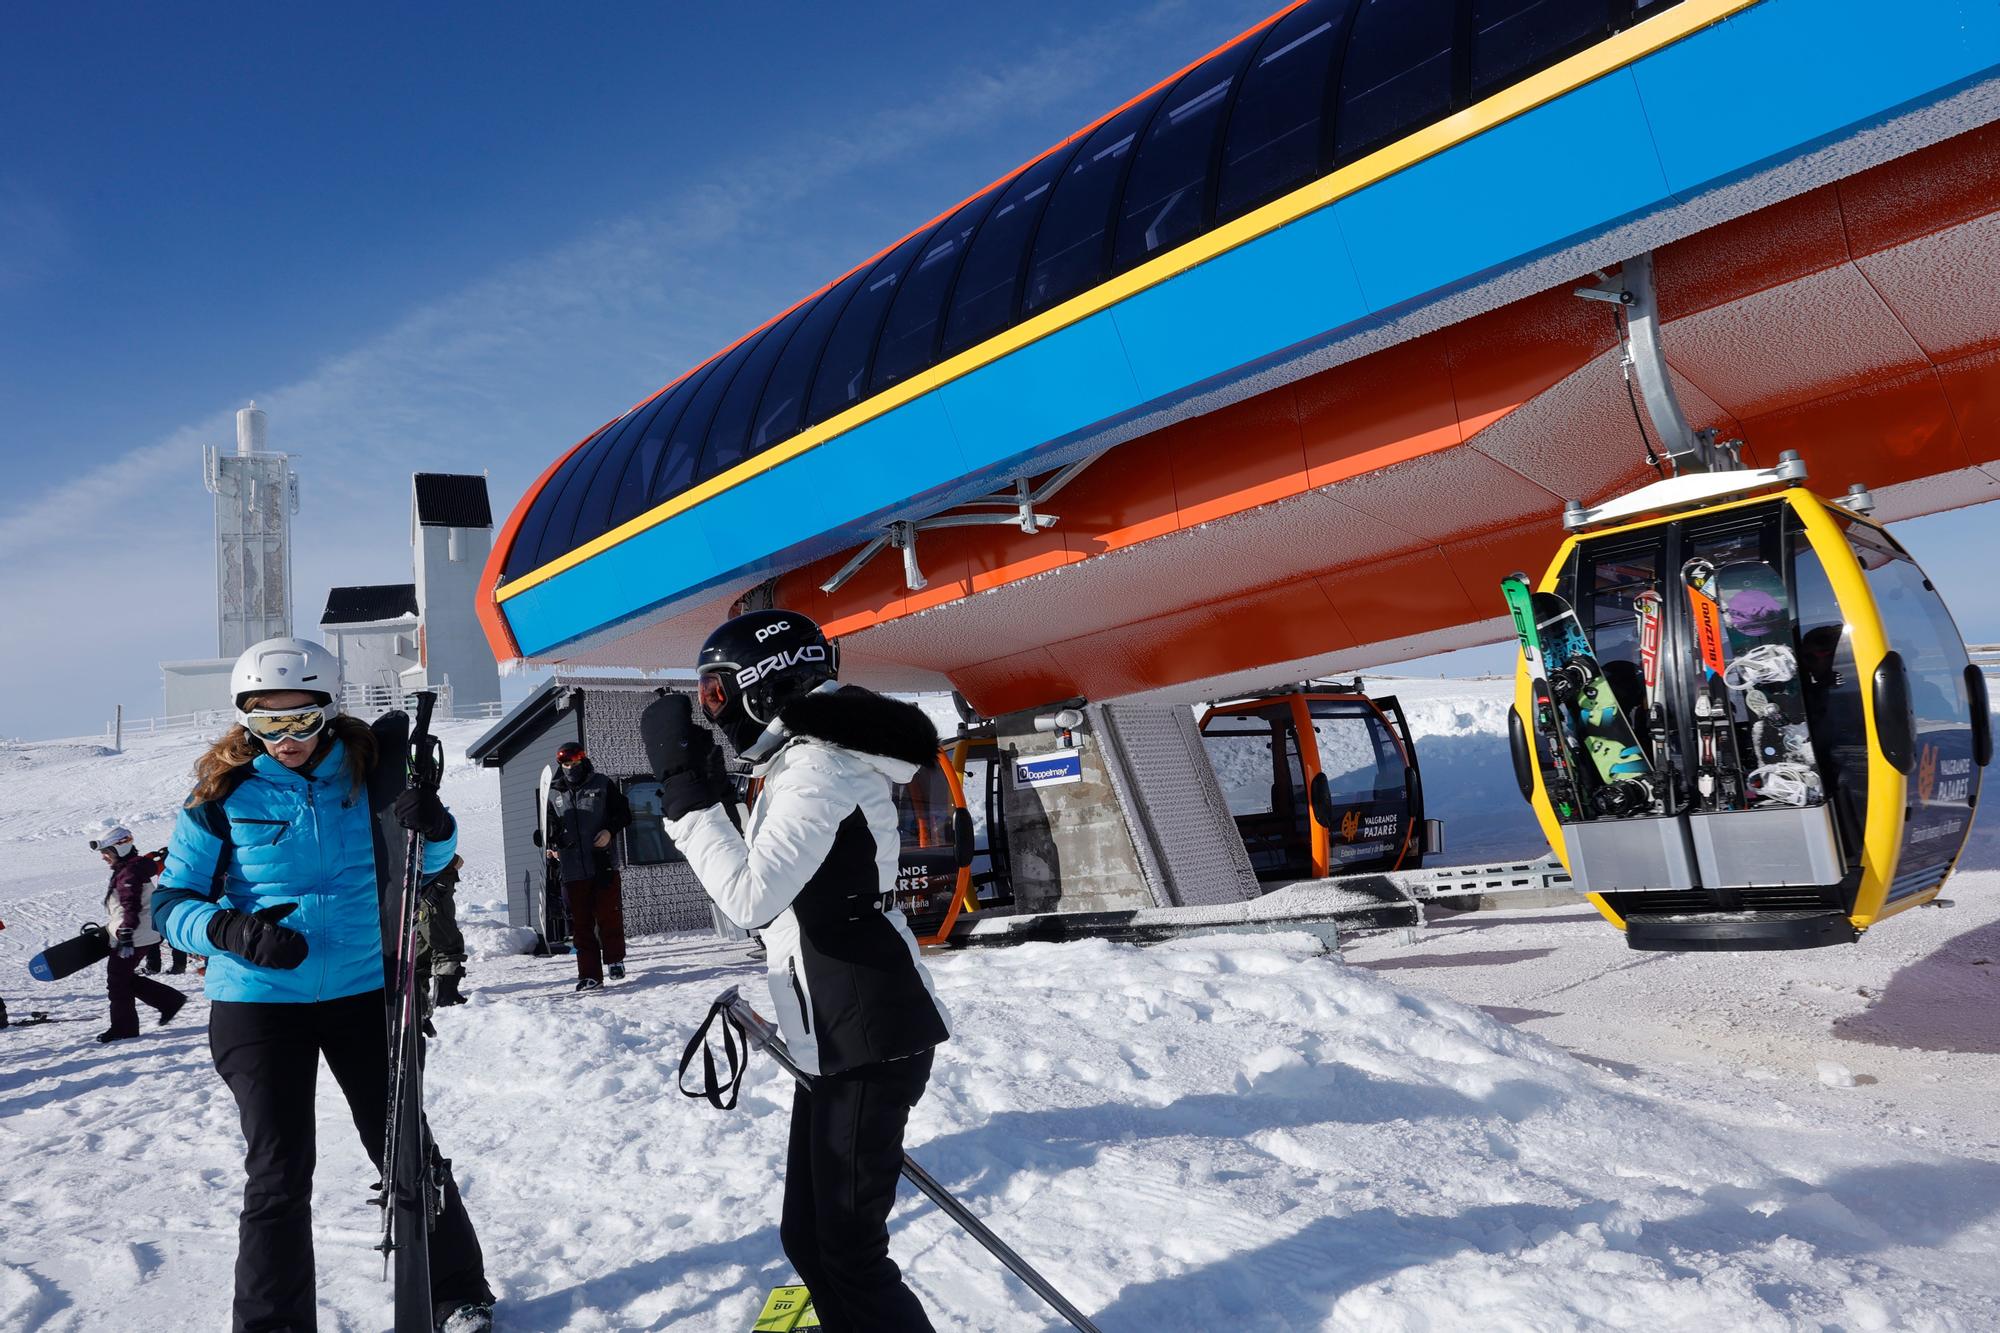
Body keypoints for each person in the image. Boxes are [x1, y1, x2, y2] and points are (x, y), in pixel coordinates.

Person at [153, 637, 495, 1333]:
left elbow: (425, 860)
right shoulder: (218, 795)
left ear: (328, 711)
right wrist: (231, 932)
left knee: (406, 1147)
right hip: (259, 1001)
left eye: (301, 720)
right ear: (245, 720)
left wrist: (437, 824)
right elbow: (169, 904)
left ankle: (455, 1290)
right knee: (278, 1172)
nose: (286, 738)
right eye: (268, 723)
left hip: (365, 992)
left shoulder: (372, 771)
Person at [642, 609, 950, 1332]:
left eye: (716, 694)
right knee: (808, 1238)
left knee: (848, 1251)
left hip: (869, 1031)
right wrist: (715, 793)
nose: (713, 714)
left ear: (762, 688)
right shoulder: (802, 760)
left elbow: (751, 895)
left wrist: (689, 799)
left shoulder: (819, 767)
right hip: (836, 1027)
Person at [541, 741, 632, 991]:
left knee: (608, 916)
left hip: (602, 863)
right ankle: (589, 975)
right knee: (580, 925)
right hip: (571, 869)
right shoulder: (553, 792)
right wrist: (550, 842)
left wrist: (609, 831)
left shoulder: (602, 784)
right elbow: (548, 827)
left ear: (583, 760)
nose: (570, 767)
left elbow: (624, 813)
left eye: (574, 762)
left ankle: (614, 960)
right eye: (566, 763)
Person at [91, 825, 186, 1042]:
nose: (103, 857)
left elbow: (130, 905)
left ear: (119, 849)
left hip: (134, 935)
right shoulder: (133, 867)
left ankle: (124, 1028)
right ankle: (169, 1000)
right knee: (122, 978)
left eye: (106, 852)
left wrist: (125, 934)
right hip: (141, 932)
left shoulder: (129, 873)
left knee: (117, 980)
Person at [419, 854, 471, 1009]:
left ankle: (418, 1001)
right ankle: (446, 997)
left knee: (422, 951)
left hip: (423, 897)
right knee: (447, 944)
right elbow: (458, 861)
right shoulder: (430, 841)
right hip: (434, 897)